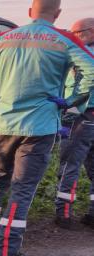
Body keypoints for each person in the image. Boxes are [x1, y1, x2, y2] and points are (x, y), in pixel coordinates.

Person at [0, 0, 94, 256]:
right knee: (22, 190)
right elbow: (91, 70)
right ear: (57, 14)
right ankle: (8, 252)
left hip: (3, 125)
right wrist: (72, 100)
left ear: (30, 12)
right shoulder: (63, 40)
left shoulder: (3, 38)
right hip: (40, 128)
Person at [54, 18, 94, 229]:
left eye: (78, 32)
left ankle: (63, 213)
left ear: (92, 31)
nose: (74, 35)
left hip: (81, 116)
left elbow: (77, 92)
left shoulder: (82, 57)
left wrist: (67, 109)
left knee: (69, 164)